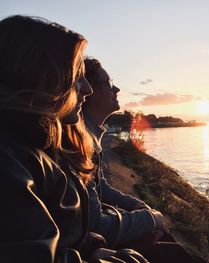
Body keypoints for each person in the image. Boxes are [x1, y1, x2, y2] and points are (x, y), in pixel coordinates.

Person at [0, 15, 146, 263]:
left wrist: (91, 250)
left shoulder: (37, 145)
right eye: (77, 75)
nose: (86, 90)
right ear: (41, 76)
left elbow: (56, 237)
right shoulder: (10, 159)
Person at [82, 57, 204, 262]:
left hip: (91, 240)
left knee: (163, 239)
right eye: (109, 83)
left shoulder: (90, 136)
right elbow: (96, 223)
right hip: (91, 243)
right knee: (167, 250)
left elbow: (100, 187)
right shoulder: (78, 140)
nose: (117, 89)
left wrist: (141, 206)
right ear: (88, 92)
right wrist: (149, 218)